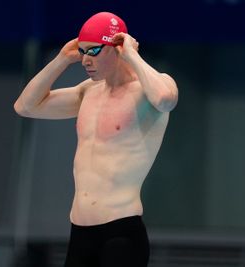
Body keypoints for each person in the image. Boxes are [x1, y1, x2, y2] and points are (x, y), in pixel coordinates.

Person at [14, 11, 178, 267]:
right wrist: (61, 59)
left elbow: (166, 100)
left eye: (93, 51)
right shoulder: (88, 92)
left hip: (121, 233)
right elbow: (26, 107)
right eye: (82, 51)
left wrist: (133, 56)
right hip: (79, 234)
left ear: (117, 47)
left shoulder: (148, 91)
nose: (84, 60)